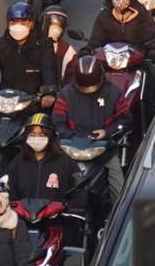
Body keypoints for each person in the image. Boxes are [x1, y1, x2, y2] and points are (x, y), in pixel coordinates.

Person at [52, 56, 133, 198]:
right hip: (71, 151)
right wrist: (72, 138)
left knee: (120, 193)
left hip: (104, 152)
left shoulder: (113, 93)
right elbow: (57, 122)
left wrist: (107, 132)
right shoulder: (66, 94)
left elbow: (126, 120)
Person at [86, 0, 155, 110]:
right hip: (109, 63)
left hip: (136, 63)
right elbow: (96, 40)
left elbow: (150, 36)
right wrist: (86, 50)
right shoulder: (104, 15)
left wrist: (153, 50)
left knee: (152, 76)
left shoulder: (142, 15)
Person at [0, 2, 57, 101]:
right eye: (13, 22)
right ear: (8, 24)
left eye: (23, 23)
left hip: (33, 100)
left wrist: (49, 93)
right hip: (5, 99)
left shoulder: (44, 44)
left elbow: (48, 69)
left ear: (31, 24)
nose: (18, 26)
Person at [3, 114, 78, 203]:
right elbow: (7, 191)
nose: (36, 139)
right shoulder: (17, 163)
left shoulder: (66, 162)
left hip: (56, 215)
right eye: (32, 135)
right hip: (22, 215)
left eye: (41, 135)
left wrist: (69, 210)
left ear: (51, 137)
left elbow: (79, 189)